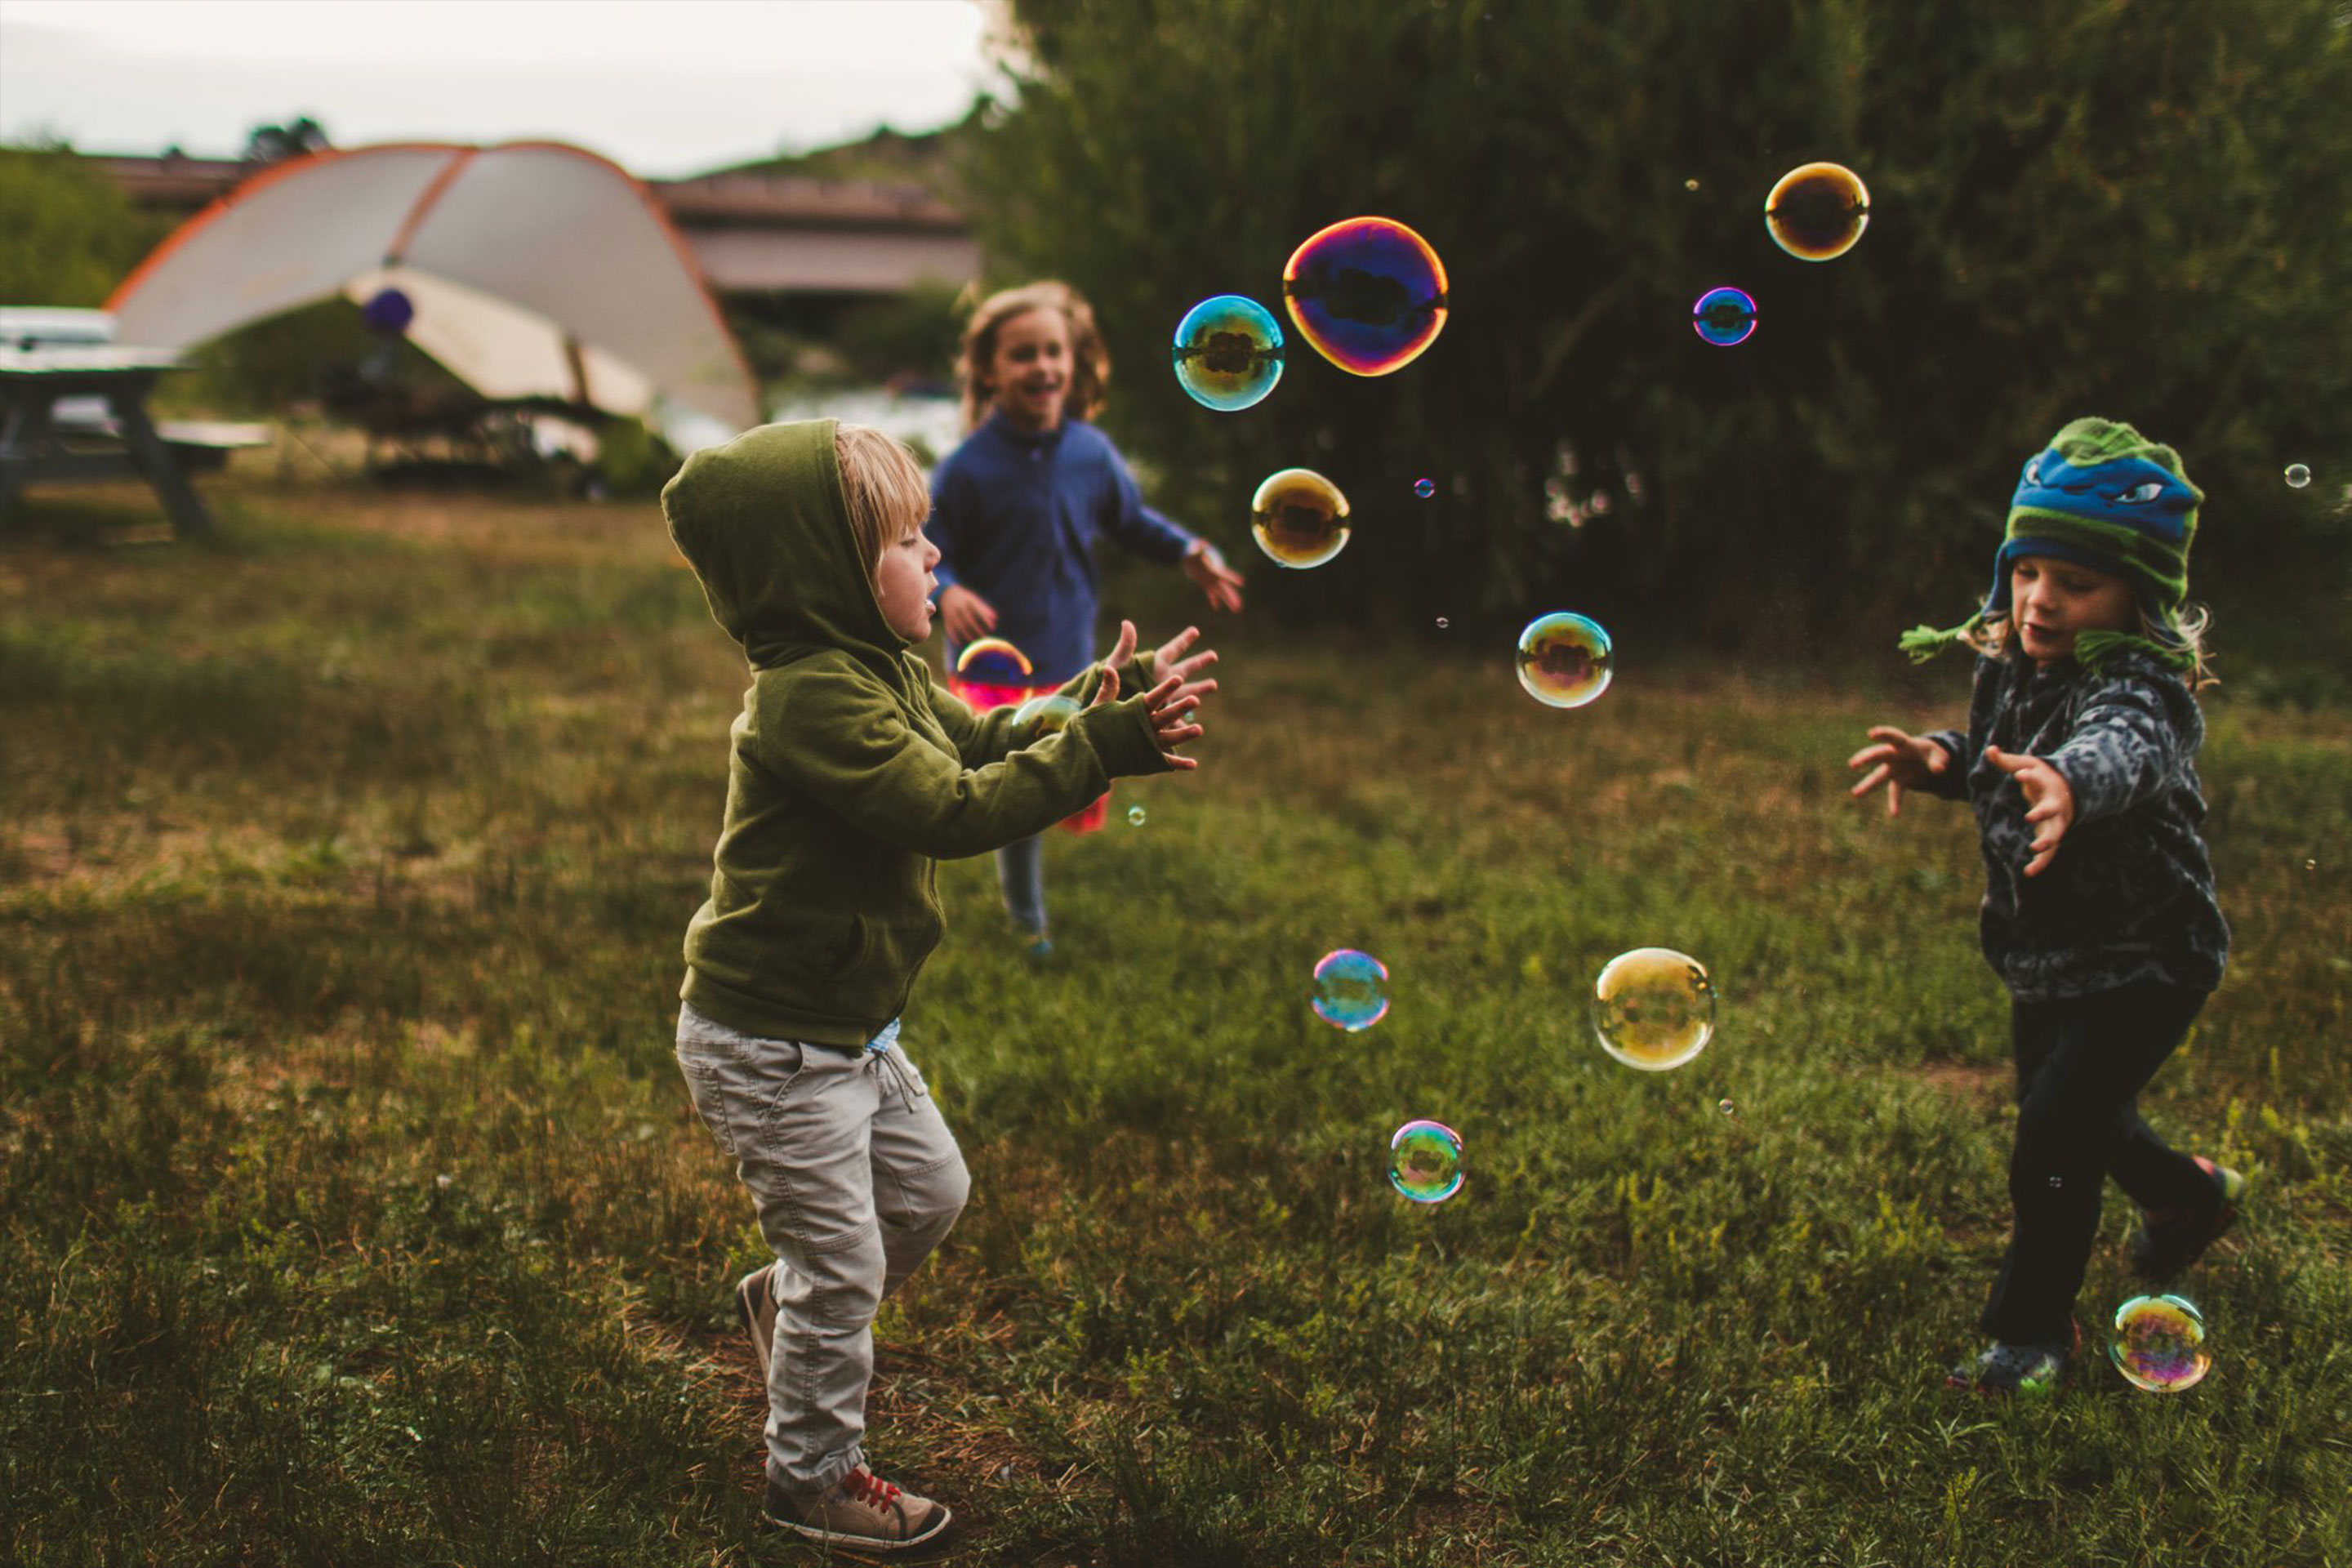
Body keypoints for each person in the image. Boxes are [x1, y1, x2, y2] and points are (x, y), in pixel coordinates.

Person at [663, 419, 1219, 1548]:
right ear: (826, 572)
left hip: (847, 1027)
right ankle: (810, 1474)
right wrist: (1099, 751)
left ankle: (788, 1305)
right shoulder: (810, 697)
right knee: (848, 1258)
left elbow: (974, 740)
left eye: (926, 536)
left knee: (930, 1197)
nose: (934, 559)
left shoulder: (879, 670)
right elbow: (950, 810)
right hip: (773, 1041)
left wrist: (1085, 702)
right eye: (907, 540)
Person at [1847, 416, 2242, 1398]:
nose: (2041, 599)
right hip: (2048, 951)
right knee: (2072, 1112)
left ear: (2137, 597)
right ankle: (2190, 1198)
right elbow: (1994, 750)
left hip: (2150, 955)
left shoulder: (2139, 686)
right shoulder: (2011, 664)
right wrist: (1940, 757)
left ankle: (2030, 1336)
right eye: (2028, 571)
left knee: (2054, 1130)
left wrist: (2070, 780)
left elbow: (2121, 748)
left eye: (2076, 582)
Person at [929, 280, 1246, 956]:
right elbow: (928, 551)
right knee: (1014, 795)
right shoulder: (965, 468)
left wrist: (1187, 550)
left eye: (1053, 351)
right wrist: (947, 590)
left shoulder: (1090, 453)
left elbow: (1130, 521)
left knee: (1062, 777)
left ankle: (1028, 895)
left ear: (1074, 363)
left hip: (1068, 652)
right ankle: (1027, 919)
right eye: (1022, 355)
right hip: (994, 663)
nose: (1042, 366)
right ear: (989, 371)